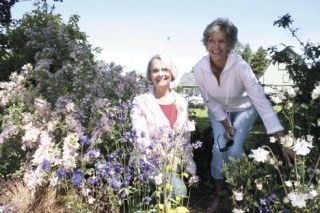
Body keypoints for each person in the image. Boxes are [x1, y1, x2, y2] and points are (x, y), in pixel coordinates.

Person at [193, 18, 292, 211]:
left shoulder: (241, 66)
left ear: (230, 44)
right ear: (206, 44)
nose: (216, 46)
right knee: (218, 150)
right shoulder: (199, 69)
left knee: (234, 150)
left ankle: (241, 193)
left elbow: (260, 100)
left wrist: (283, 140)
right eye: (211, 40)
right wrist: (225, 125)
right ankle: (219, 196)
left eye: (222, 41)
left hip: (245, 109)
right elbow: (210, 101)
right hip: (218, 112)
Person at [130, 54, 196, 202]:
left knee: (167, 195)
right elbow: (140, 138)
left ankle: (147, 203)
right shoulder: (140, 102)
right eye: (155, 70)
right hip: (148, 163)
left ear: (171, 72)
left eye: (165, 69)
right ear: (149, 75)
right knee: (178, 192)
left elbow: (185, 137)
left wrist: (189, 165)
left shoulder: (181, 101)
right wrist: (157, 159)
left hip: (173, 163)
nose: (160, 74)